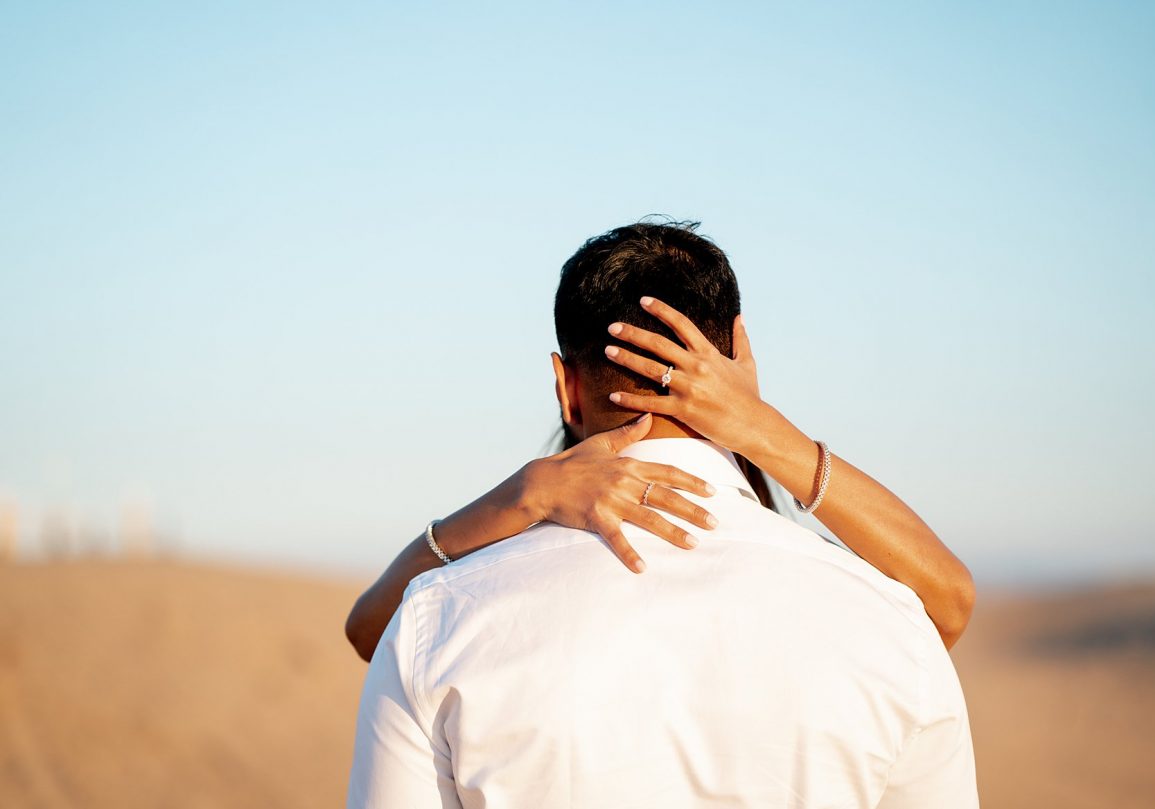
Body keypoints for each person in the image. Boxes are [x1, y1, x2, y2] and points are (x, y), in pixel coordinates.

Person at [347, 221, 979, 808]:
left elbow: (376, 634)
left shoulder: (440, 617)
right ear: (742, 359)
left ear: (566, 386)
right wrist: (764, 429)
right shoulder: (891, 626)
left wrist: (520, 496)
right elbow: (948, 601)